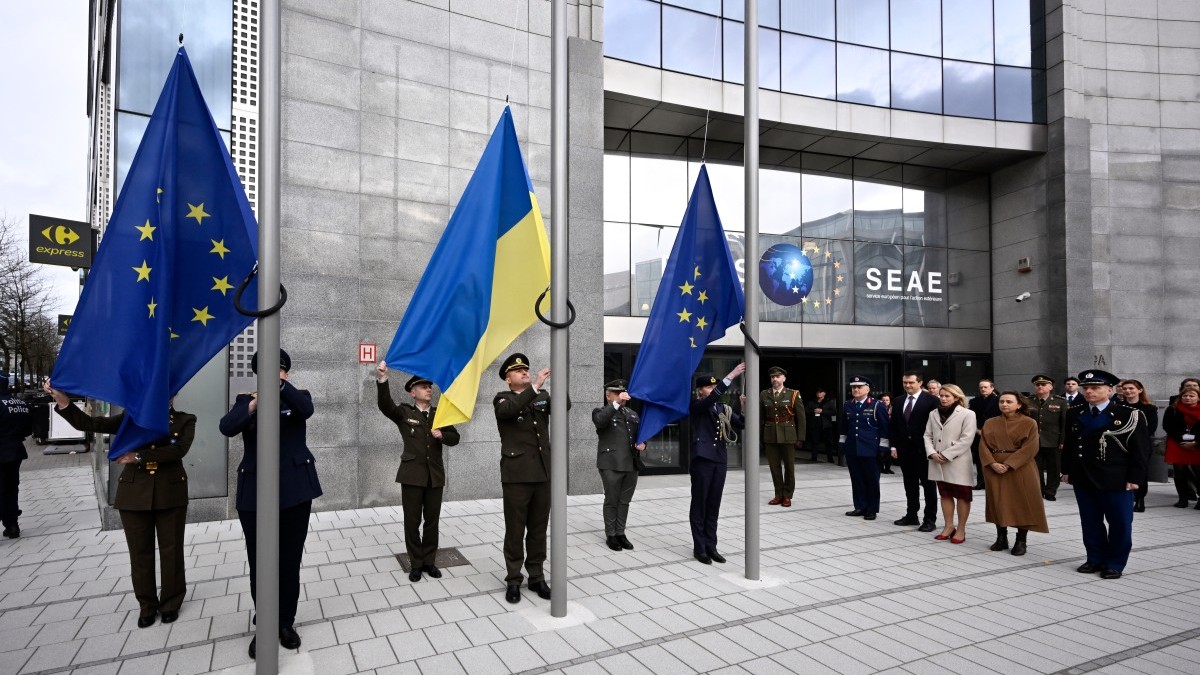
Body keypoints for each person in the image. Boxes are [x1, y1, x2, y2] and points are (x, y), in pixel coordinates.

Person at [46, 380, 195, 628]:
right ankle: (147, 605)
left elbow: (178, 451)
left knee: (172, 551)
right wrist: (63, 402)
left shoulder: (185, 419)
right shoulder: (130, 419)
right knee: (140, 553)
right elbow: (91, 424)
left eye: (168, 393)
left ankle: (171, 602)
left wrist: (138, 456)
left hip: (170, 493)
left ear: (174, 395)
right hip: (134, 494)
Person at [219, 349, 322, 657]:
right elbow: (227, 427)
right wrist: (253, 403)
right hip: (255, 494)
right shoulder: (245, 401)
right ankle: (264, 624)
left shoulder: (296, 395)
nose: (274, 374)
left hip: (294, 492)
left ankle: (285, 622)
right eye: (267, 371)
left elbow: (306, 410)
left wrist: (279, 388)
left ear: (285, 373)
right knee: (260, 561)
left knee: (289, 562)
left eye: (279, 371)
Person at [1061, 370, 1151, 580]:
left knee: (1119, 523)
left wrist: (1135, 478)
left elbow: (1141, 450)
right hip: (1083, 477)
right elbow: (1070, 445)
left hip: (1116, 478)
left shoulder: (1128, 414)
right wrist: (1066, 470)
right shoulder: (1075, 412)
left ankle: (1115, 563)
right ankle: (1095, 558)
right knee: (1090, 521)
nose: (1089, 392)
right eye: (1087, 388)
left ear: (1109, 391)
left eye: (1095, 388)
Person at [376, 362, 461, 581]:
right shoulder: (405, 412)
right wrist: (383, 379)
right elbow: (386, 406)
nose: (428, 389)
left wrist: (443, 436)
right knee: (412, 521)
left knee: (432, 521)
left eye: (429, 386)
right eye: (423, 387)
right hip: (412, 475)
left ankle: (429, 562)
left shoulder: (440, 413)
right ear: (413, 392)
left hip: (435, 476)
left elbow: (455, 438)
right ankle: (415, 563)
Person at [493, 353, 553, 603]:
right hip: (516, 474)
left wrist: (558, 384)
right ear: (508, 379)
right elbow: (511, 412)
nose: (525, 372)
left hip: (542, 471)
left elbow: (565, 407)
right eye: (518, 371)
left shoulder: (542, 396)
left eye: (526, 369)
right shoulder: (502, 399)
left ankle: (537, 577)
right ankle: (514, 579)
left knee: (538, 529)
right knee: (515, 529)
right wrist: (535, 386)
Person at [978, 392, 1048, 556]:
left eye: (1009, 401)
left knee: (1022, 502)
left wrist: (1009, 464)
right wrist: (992, 463)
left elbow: (1031, 448)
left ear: (1019, 405)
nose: (1004, 404)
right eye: (1002, 401)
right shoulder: (990, 422)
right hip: (994, 466)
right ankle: (1001, 537)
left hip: (1021, 467)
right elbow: (983, 445)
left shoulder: (1029, 423)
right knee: (998, 501)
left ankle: (1021, 540)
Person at [689, 364, 746, 564]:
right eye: (709, 387)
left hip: (719, 460)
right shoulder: (697, 405)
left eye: (714, 387)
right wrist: (731, 375)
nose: (713, 390)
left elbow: (742, 423)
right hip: (702, 460)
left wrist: (743, 407)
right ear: (700, 391)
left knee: (713, 504)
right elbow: (713, 398)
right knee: (700, 504)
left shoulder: (723, 408)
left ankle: (711, 546)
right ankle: (700, 548)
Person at [592, 379, 644, 550]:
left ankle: (620, 532)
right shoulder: (601, 411)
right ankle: (611, 535)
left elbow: (639, 434)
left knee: (624, 501)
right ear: (608, 395)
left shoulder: (632, 413)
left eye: (623, 392)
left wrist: (643, 443)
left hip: (631, 463)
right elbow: (600, 421)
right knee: (612, 499)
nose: (622, 395)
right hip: (611, 463)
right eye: (617, 392)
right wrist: (615, 404)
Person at [924, 384, 977, 543]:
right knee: (945, 494)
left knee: (962, 496)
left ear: (956, 397)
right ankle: (948, 526)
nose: (944, 398)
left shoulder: (968, 414)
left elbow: (967, 439)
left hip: (958, 462)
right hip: (937, 461)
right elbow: (927, 435)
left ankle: (960, 529)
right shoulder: (933, 413)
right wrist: (932, 453)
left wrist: (946, 455)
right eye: (942, 395)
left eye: (948, 396)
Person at [890, 372, 939, 531]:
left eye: (911, 382)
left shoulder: (932, 401)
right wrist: (894, 446)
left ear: (920, 383)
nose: (907, 385)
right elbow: (895, 425)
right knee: (909, 484)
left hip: (924, 451)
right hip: (905, 451)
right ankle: (911, 515)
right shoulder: (898, 401)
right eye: (905, 383)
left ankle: (930, 519)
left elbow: (937, 427)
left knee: (928, 485)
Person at [841, 375, 889, 521]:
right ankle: (860, 506)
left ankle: (872, 509)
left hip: (870, 449)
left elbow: (884, 428)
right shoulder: (847, 404)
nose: (855, 389)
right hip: (853, 448)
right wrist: (842, 444)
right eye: (854, 387)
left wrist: (883, 448)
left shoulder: (876, 405)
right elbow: (843, 427)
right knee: (856, 479)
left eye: (859, 387)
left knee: (872, 480)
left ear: (867, 389)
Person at [761, 366, 805, 507]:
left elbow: (801, 417)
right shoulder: (764, 394)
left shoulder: (793, 394)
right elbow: (760, 417)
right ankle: (778, 494)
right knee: (774, 467)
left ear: (784, 378)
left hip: (788, 434)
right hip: (770, 434)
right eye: (773, 377)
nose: (775, 379)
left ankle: (787, 495)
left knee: (789, 467)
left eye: (778, 376)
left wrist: (801, 437)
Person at [1118, 379, 1158, 512]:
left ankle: (1140, 499)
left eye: (1131, 388)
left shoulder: (1149, 408)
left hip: (1141, 445)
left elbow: (1151, 428)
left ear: (1140, 390)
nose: (1128, 391)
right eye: (1125, 389)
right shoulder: (1117, 406)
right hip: (1121, 445)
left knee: (1140, 472)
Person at [1, 373, 34, 538]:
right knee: (11, 488)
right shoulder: (21, 403)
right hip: (16, 451)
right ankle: (12, 525)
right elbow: (30, 428)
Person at [1027, 375, 1068, 501]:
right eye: (1037, 385)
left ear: (1050, 387)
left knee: (1054, 468)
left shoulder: (1060, 401)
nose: (1040, 387)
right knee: (1035, 467)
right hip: (1033, 441)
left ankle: (1050, 491)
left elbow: (1064, 423)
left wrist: (1062, 441)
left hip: (1053, 440)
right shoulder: (1028, 400)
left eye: (1043, 384)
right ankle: (1039, 489)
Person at [1162, 383, 1200, 509]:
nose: (1188, 398)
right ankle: (1183, 499)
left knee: (1198, 472)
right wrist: (1180, 441)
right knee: (1179, 472)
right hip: (1177, 443)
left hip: (1197, 444)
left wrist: (1195, 443)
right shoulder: (1173, 408)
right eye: (1185, 396)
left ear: (1198, 398)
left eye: (1191, 396)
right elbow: (1168, 426)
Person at [968, 379, 1001, 490]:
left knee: (993, 458)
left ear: (992, 388)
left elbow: (1001, 419)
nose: (983, 389)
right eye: (981, 387)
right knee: (979, 459)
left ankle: (992, 483)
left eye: (985, 387)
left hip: (994, 435)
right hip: (977, 434)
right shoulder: (974, 401)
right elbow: (970, 418)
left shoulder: (999, 401)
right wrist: (977, 430)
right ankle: (981, 482)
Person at [807, 387, 838, 465]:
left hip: (826, 425)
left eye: (820, 392)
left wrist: (822, 411)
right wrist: (813, 411)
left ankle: (830, 458)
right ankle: (814, 457)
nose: (818, 393)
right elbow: (806, 411)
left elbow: (834, 412)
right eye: (817, 392)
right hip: (815, 425)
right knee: (815, 442)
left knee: (829, 442)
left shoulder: (829, 402)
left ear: (824, 393)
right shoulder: (812, 402)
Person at [879, 393, 895, 474]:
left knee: (890, 451)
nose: (885, 401)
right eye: (883, 400)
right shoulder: (878, 408)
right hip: (881, 433)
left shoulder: (893, 409)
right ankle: (881, 467)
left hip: (891, 432)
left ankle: (888, 468)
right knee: (882, 451)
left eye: (887, 400)